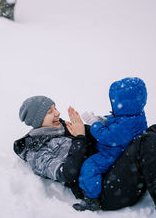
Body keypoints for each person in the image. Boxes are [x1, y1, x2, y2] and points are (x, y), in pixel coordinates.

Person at [13, 80, 156, 212]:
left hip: (114, 166)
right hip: (103, 190)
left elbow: (102, 136)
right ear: (38, 121)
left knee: (153, 131)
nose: (57, 113)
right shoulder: (35, 151)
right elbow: (67, 173)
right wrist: (80, 138)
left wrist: (100, 121)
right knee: (146, 141)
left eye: (55, 108)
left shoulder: (62, 127)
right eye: (50, 112)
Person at [73, 77, 147, 211]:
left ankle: (91, 199)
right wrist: (104, 120)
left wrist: (94, 124)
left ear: (123, 104)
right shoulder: (135, 115)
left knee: (90, 165)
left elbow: (106, 137)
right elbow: (117, 122)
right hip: (121, 147)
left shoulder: (127, 123)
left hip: (114, 153)